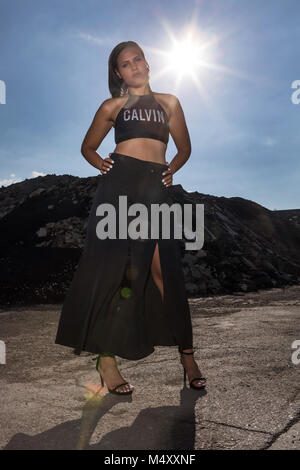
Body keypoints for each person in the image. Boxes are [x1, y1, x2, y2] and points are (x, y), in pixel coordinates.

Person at [55, 41, 206, 395]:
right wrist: (102, 165)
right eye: (126, 63)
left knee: (162, 270)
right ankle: (106, 360)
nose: (134, 65)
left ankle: (188, 356)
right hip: (119, 187)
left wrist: (171, 169)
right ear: (119, 74)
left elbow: (184, 147)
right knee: (115, 272)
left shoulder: (170, 102)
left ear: (147, 63)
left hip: (155, 189)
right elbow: (87, 147)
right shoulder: (112, 106)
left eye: (138, 58)